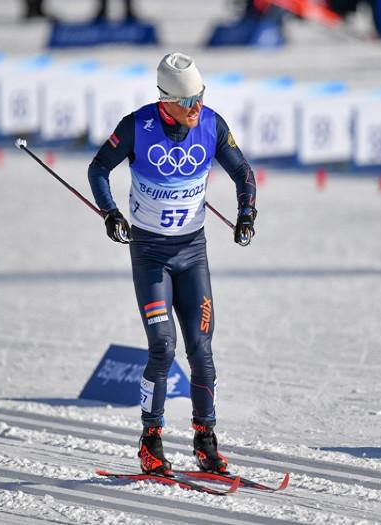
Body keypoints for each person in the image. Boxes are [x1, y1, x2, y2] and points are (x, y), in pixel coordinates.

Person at [87, 52, 257, 475]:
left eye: (199, 98)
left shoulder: (211, 124)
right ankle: (151, 441)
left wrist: (246, 214)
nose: (195, 109)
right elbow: (97, 169)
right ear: (165, 100)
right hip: (150, 255)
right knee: (163, 347)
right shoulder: (137, 126)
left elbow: (244, 173)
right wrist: (111, 214)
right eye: (187, 102)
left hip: (192, 253)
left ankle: (205, 440)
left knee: (202, 350)